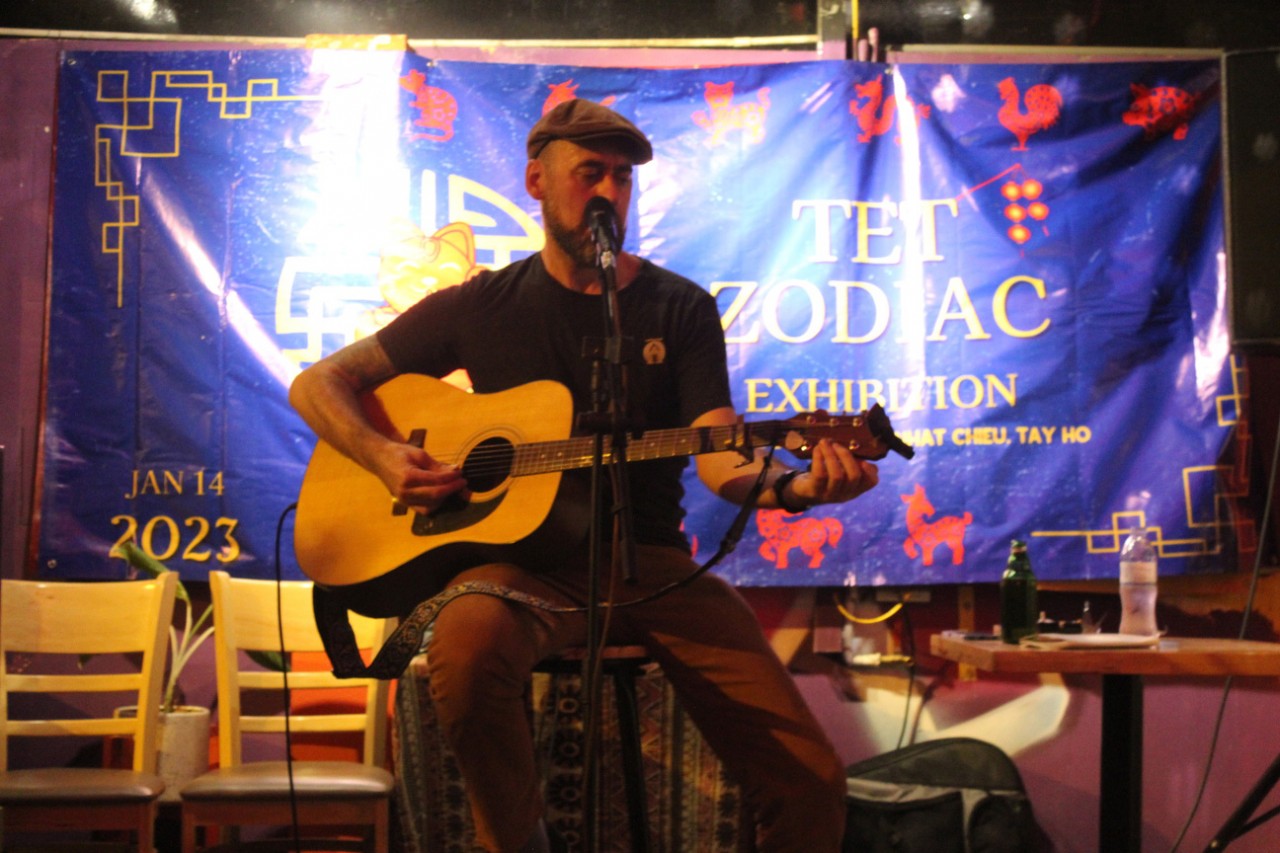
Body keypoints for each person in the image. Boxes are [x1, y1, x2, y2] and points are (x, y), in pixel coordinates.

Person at [289, 98, 879, 853]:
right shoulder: (479, 304)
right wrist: (382, 456)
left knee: (812, 779)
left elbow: (721, 452)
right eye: (589, 172)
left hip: (657, 570)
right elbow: (319, 383)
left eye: (623, 178)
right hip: (525, 569)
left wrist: (795, 487)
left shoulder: (680, 307)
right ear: (537, 180)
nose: (608, 192)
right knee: (465, 648)